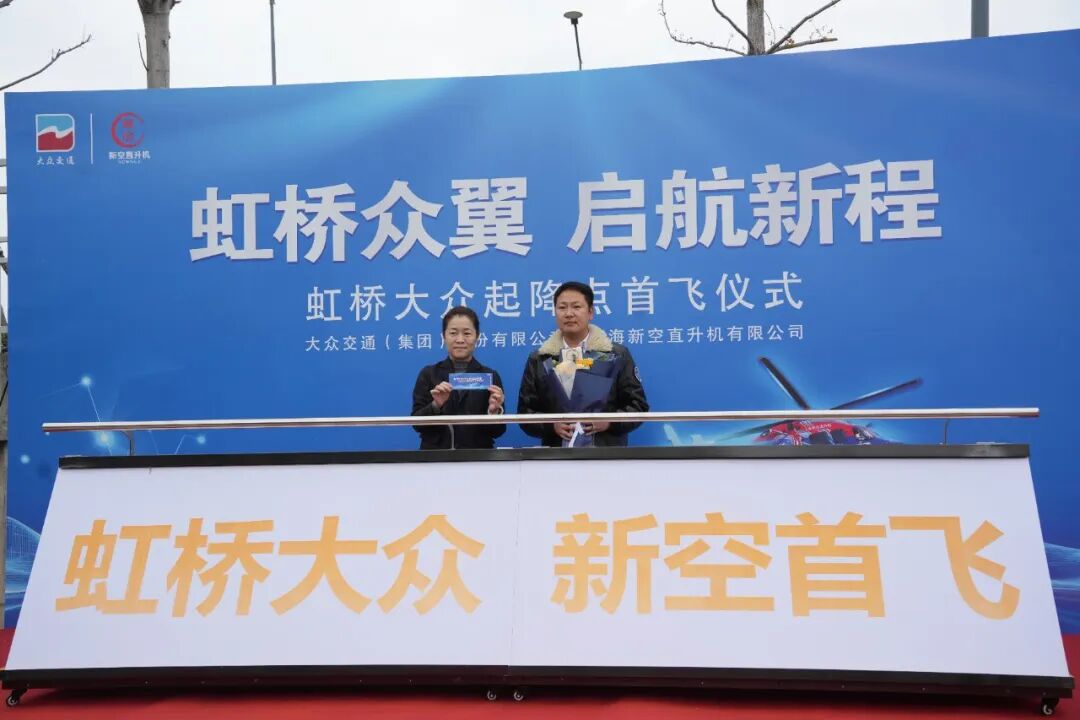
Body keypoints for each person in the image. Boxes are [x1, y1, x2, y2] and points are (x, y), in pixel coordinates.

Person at [517, 280, 648, 447]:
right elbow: (525, 412)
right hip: (556, 456)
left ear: (590, 312)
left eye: (576, 307)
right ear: (555, 312)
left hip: (607, 454)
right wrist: (551, 425)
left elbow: (638, 406)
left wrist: (609, 422)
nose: (569, 313)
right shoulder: (540, 359)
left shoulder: (615, 355)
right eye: (562, 307)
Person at [410, 306, 506, 449]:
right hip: (436, 457)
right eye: (453, 333)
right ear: (444, 336)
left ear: (477, 336)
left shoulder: (490, 376)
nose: (460, 340)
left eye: (467, 333)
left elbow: (498, 432)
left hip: (478, 457)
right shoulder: (429, 374)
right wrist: (436, 405)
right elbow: (416, 424)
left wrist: (493, 413)